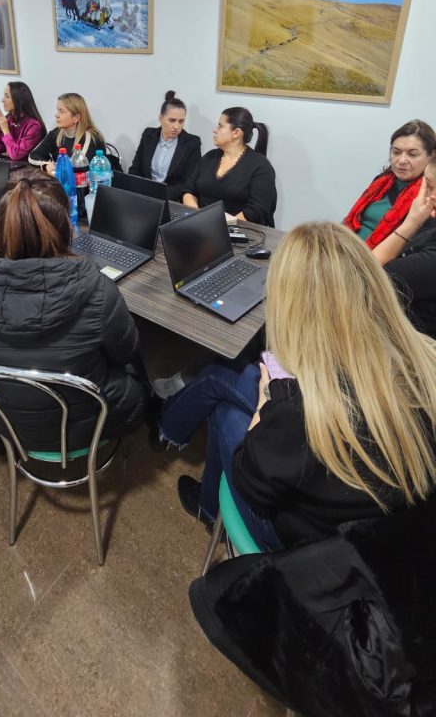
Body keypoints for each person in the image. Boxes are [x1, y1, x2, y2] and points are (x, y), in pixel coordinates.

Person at [159, 222, 436, 551]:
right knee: (223, 375)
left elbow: (250, 482)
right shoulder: (424, 356)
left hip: (311, 547)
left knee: (224, 410)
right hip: (391, 535)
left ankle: (199, 491)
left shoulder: (297, 408)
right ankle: (173, 435)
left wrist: (265, 399)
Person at [0, 175, 149, 451]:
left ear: (3, 228)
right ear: (65, 228)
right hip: (91, 423)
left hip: (8, 419)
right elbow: (126, 351)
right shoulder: (99, 290)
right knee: (136, 367)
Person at [344, 119, 436, 247]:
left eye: (412, 154)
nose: (401, 160)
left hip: (375, 256)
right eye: (396, 152)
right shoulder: (382, 181)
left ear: (432, 155)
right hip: (348, 244)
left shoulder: (429, 196)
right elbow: (352, 219)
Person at [371, 156, 436, 338]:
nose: (428, 196)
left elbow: (367, 274)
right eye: (427, 186)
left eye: (429, 187)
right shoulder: (430, 223)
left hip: (415, 343)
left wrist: (410, 223)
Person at [182, 107, 276, 225]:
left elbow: (257, 210)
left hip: (238, 229)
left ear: (236, 133)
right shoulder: (209, 157)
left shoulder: (260, 166)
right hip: (201, 224)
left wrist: (221, 224)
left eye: (220, 126)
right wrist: (196, 215)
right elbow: (188, 190)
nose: (214, 130)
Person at [129, 91, 202, 202]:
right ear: (161, 118)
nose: (176, 126)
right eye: (172, 120)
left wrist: (160, 195)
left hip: (171, 199)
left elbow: (189, 182)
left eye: (181, 121)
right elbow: (135, 169)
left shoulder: (192, 143)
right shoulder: (148, 135)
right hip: (144, 195)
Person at [28, 92, 106, 173]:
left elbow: (80, 168)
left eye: (61, 111)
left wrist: (56, 169)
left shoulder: (92, 137)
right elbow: (33, 156)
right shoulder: (56, 133)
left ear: (76, 118)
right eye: (57, 110)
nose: (56, 115)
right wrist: (46, 165)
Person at [0, 82, 46, 162]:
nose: (2, 100)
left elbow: (16, 155)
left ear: (19, 100)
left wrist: (6, 131)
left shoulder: (33, 126)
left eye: (7, 96)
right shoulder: (9, 119)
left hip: (28, 167)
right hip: (11, 164)